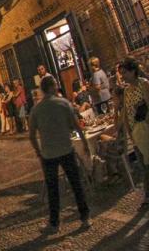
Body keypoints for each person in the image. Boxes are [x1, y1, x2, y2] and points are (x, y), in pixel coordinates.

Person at [28, 75, 91, 233]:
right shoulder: (63, 103)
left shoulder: (36, 109)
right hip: (66, 149)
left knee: (53, 189)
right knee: (76, 184)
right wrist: (84, 142)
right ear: (52, 87)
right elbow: (76, 125)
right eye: (55, 84)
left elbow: (31, 135)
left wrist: (38, 151)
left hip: (48, 154)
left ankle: (54, 224)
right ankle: (85, 218)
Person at [116, 59, 149, 208]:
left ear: (133, 71)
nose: (122, 76)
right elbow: (126, 114)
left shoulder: (144, 84)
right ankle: (147, 196)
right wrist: (130, 133)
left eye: (124, 73)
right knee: (143, 167)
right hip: (136, 133)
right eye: (120, 74)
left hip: (145, 129)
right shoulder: (127, 91)